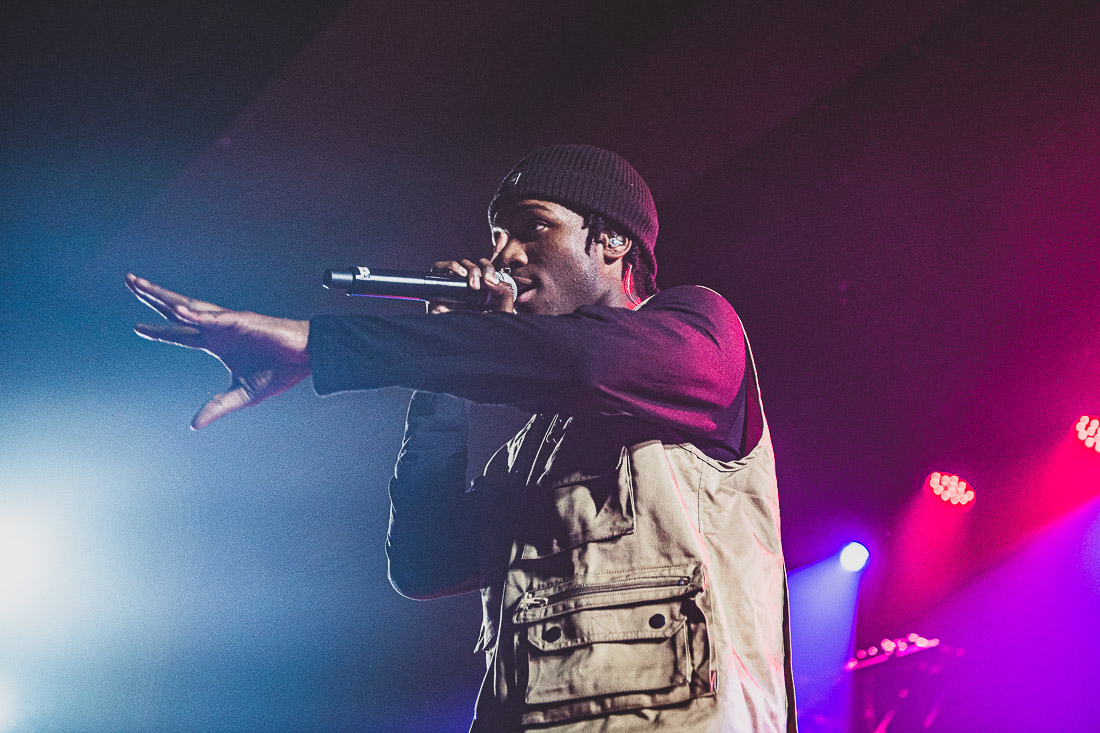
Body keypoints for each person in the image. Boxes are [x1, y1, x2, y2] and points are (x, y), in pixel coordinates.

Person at [127, 144, 796, 732]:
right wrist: (443, 376)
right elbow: (423, 560)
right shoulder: (526, 455)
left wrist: (320, 344)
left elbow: (586, 363)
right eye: (498, 235)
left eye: (534, 228)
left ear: (612, 241)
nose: (505, 255)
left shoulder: (698, 331)